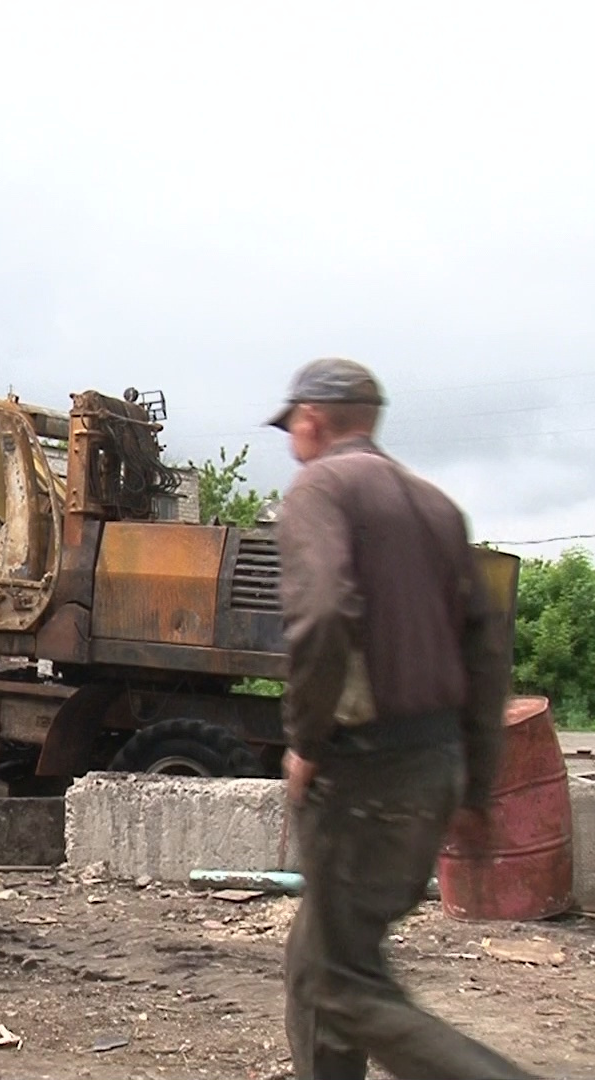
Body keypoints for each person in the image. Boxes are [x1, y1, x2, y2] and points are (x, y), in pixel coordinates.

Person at [267, 358, 535, 1080]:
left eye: (291, 424)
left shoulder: (319, 487)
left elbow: (322, 615)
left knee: (339, 985)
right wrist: (476, 791)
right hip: (433, 767)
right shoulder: (439, 509)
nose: (291, 439)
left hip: (365, 773)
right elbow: (487, 658)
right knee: (317, 960)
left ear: (313, 419)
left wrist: (307, 741)